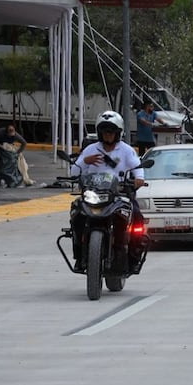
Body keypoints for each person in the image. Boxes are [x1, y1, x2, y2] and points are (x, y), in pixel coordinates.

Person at [70, 111, 148, 272]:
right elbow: (74, 172)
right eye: (105, 131)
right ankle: (79, 255)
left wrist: (139, 179)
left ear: (117, 133)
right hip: (92, 194)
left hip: (119, 193)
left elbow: (137, 168)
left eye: (111, 131)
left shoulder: (127, 150)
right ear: (100, 133)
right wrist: (85, 161)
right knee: (76, 215)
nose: (108, 135)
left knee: (138, 218)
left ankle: (133, 258)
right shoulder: (90, 149)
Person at [0, 123, 27, 188]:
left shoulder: (16, 135)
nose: (10, 136)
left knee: (11, 167)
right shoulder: (0, 133)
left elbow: (24, 143)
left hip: (9, 152)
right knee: (0, 167)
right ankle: (0, 181)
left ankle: (11, 181)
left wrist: (18, 152)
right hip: (0, 151)